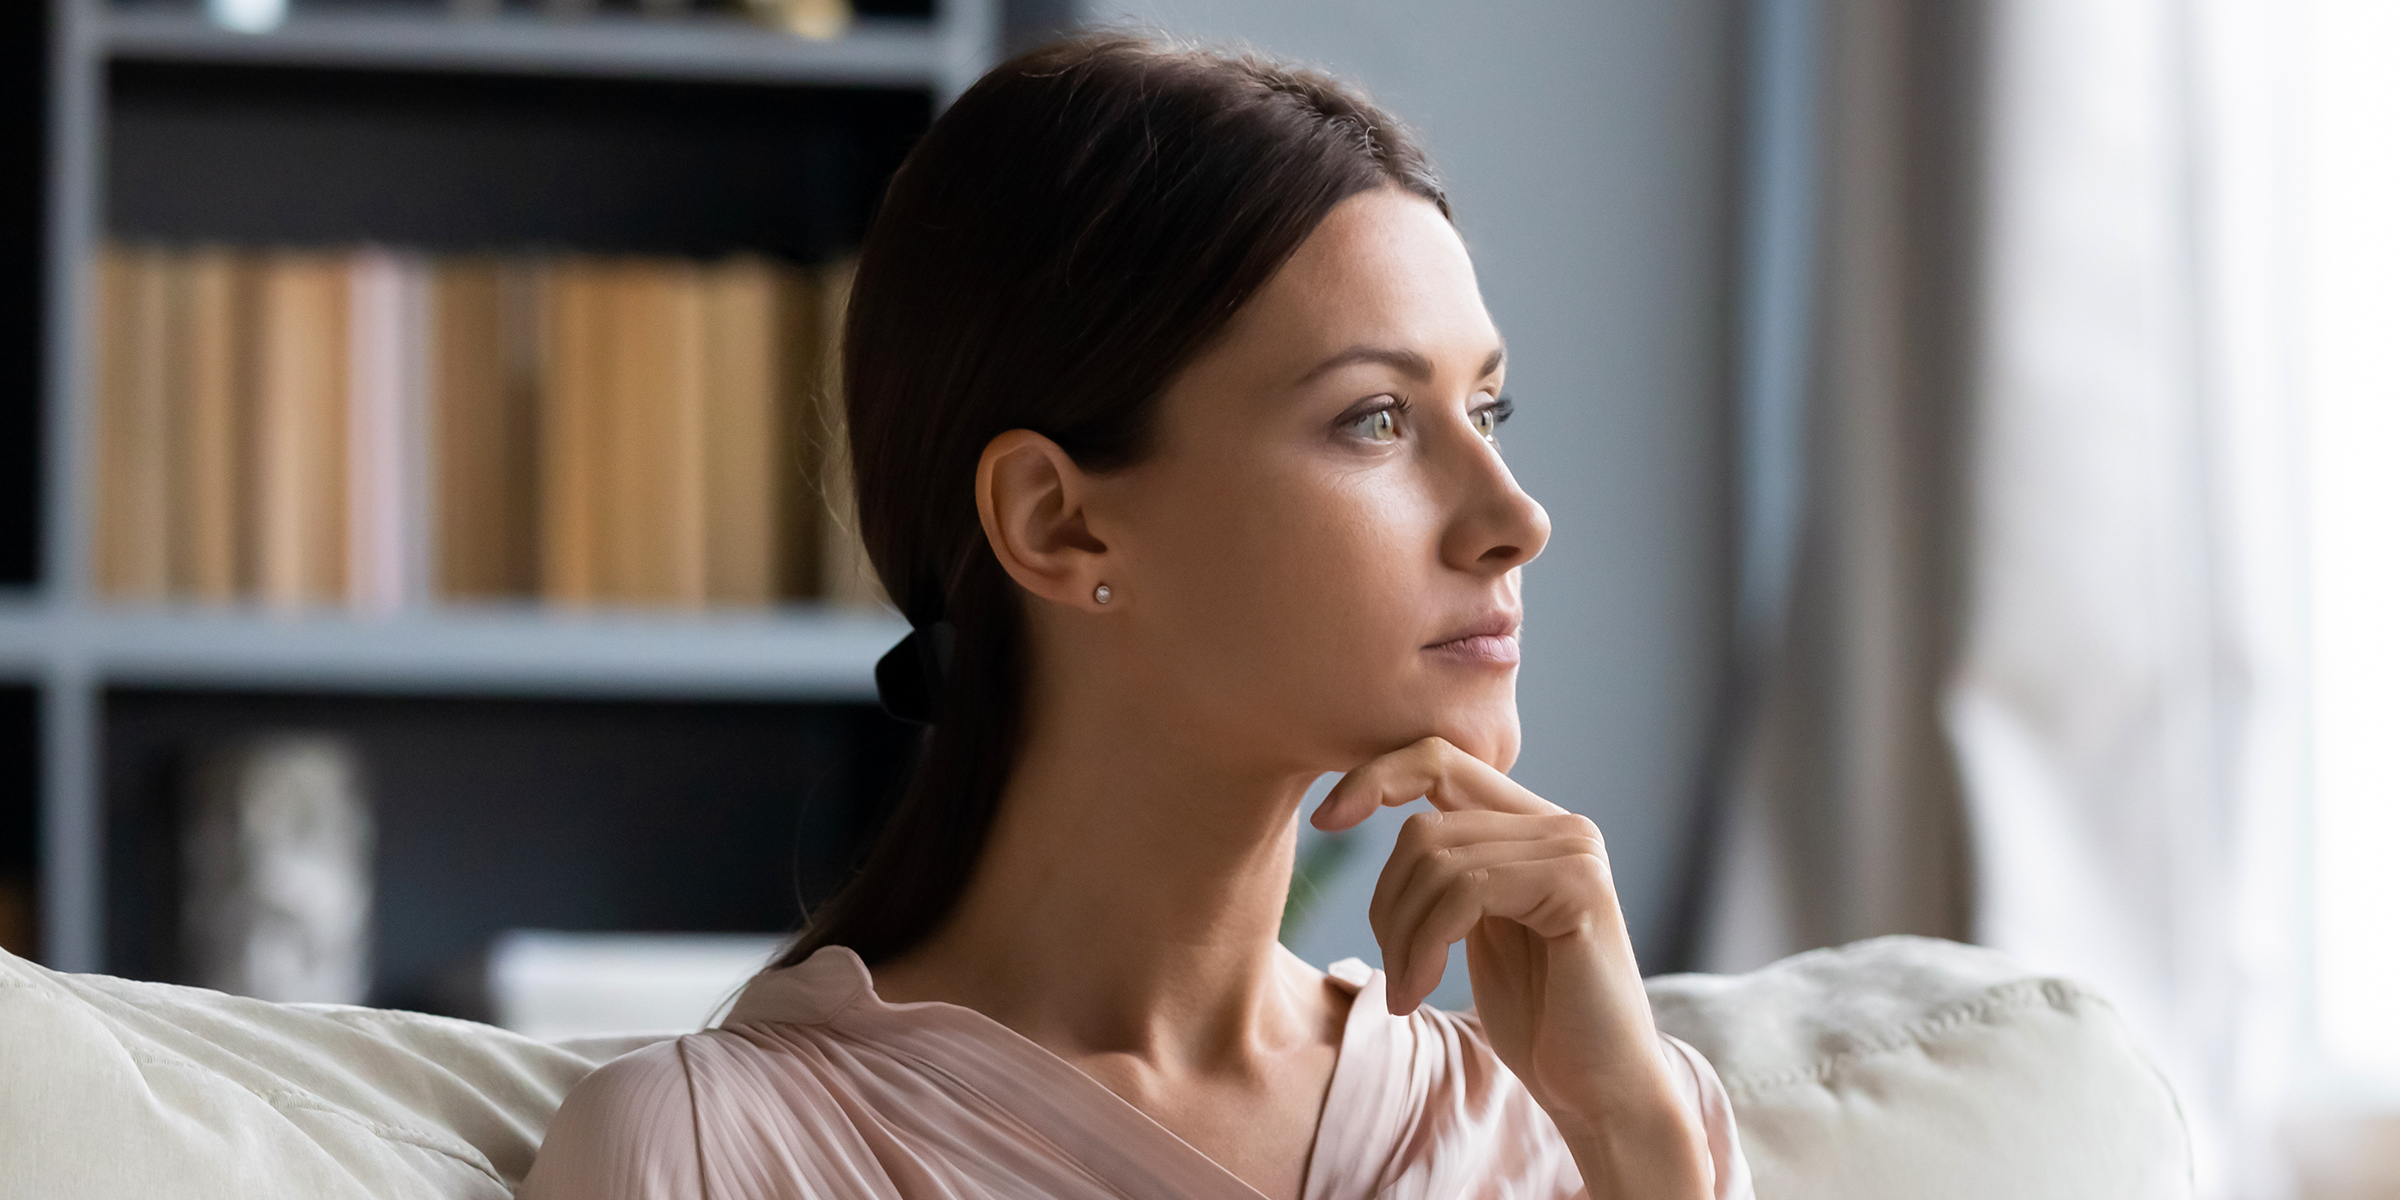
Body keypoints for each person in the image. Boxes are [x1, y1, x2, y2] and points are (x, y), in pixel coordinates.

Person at [523, 31, 1752, 1200]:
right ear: (1059, 522)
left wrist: (1628, 1134)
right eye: (1375, 418)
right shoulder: (712, 1152)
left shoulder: (1597, 1118)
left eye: (1486, 413)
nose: (1515, 518)